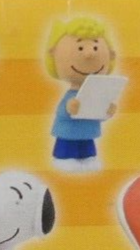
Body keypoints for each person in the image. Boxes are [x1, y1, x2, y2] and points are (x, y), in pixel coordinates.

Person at [45, 16, 118, 172]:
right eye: (80, 48)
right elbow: (61, 112)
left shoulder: (96, 92)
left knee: (88, 150)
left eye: (96, 47)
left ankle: (87, 158)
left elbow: (97, 113)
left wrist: (107, 110)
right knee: (67, 147)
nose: (89, 54)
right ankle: (64, 158)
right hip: (69, 133)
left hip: (88, 132)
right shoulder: (71, 95)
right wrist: (69, 108)